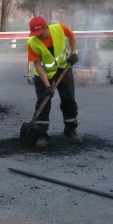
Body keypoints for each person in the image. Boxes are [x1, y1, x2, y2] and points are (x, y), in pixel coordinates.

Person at [27, 16, 81, 147]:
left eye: (40, 33)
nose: (38, 36)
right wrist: (47, 86)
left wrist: (74, 52)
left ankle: (70, 131)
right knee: (43, 104)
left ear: (46, 27)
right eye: (35, 34)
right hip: (43, 76)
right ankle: (41, 135)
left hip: (63, 70)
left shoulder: (59, 29)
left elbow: (72, 35)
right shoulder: (32, 42)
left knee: (68, 100)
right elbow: (38, 65)